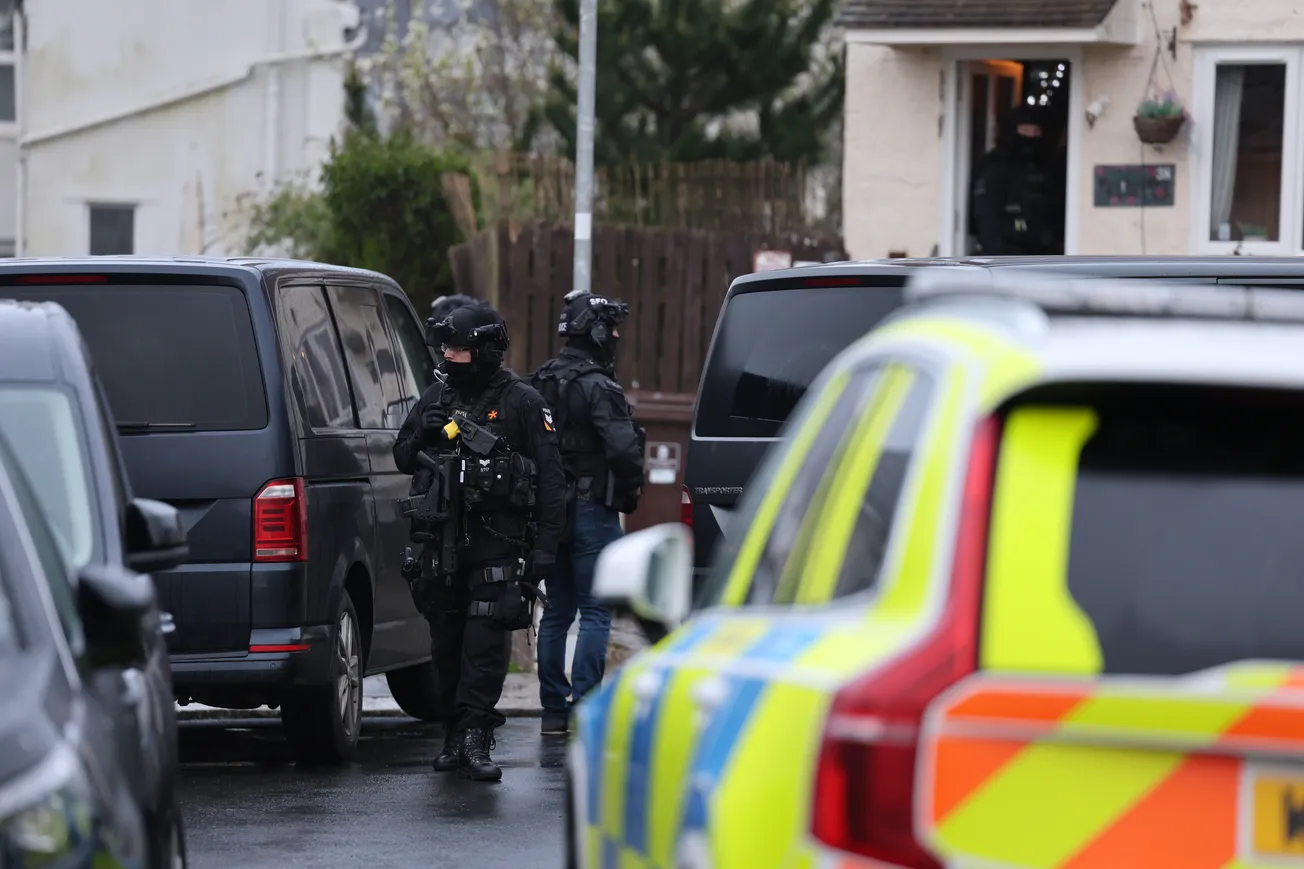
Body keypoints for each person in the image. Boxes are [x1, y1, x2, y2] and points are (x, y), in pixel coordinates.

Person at [394, 303, 567, 781]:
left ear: (485, 350)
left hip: (497, 542)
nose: (449, 357)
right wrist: (425, 433)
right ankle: (453, 731)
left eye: (459, 349)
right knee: (445, 641)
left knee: (484, 641)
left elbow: (553, 481)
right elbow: (402, 456)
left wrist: (546, 549)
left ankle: (475, 735)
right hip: (441, 543)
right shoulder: (436, 397)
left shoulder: (523, 403)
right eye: (445, 349)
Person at [528, 290, 645, 735]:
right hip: (592, 511)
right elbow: (623, 450)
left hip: (549, 513)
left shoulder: (538, 381)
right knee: (596, 612)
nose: (616, 336)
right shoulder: (599, 387)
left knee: (557, 611)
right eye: (611, 327)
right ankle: (585, 709)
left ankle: (553, 712)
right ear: (595, 332)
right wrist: (631, 484)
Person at [970, 105, 1062, 256]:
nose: (1031, 136)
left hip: (1042, 253)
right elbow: (986, 215)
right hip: (1005, 255)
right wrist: (997, 251)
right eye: (1025, 131)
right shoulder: (995, 165)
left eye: (1036, 131)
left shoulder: (1047, 166)